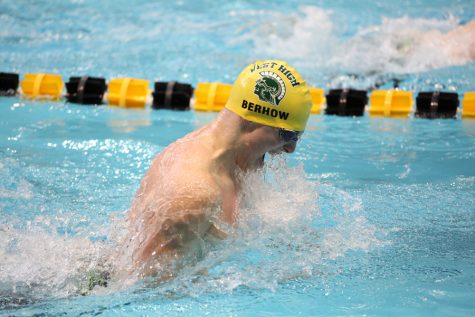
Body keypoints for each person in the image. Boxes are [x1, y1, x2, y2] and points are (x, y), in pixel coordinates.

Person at [121, 60, 312, 278]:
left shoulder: (248, 157)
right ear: (254, 121)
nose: (291, 148)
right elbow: (144, 289)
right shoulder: (193, 197)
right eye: (288, 135)